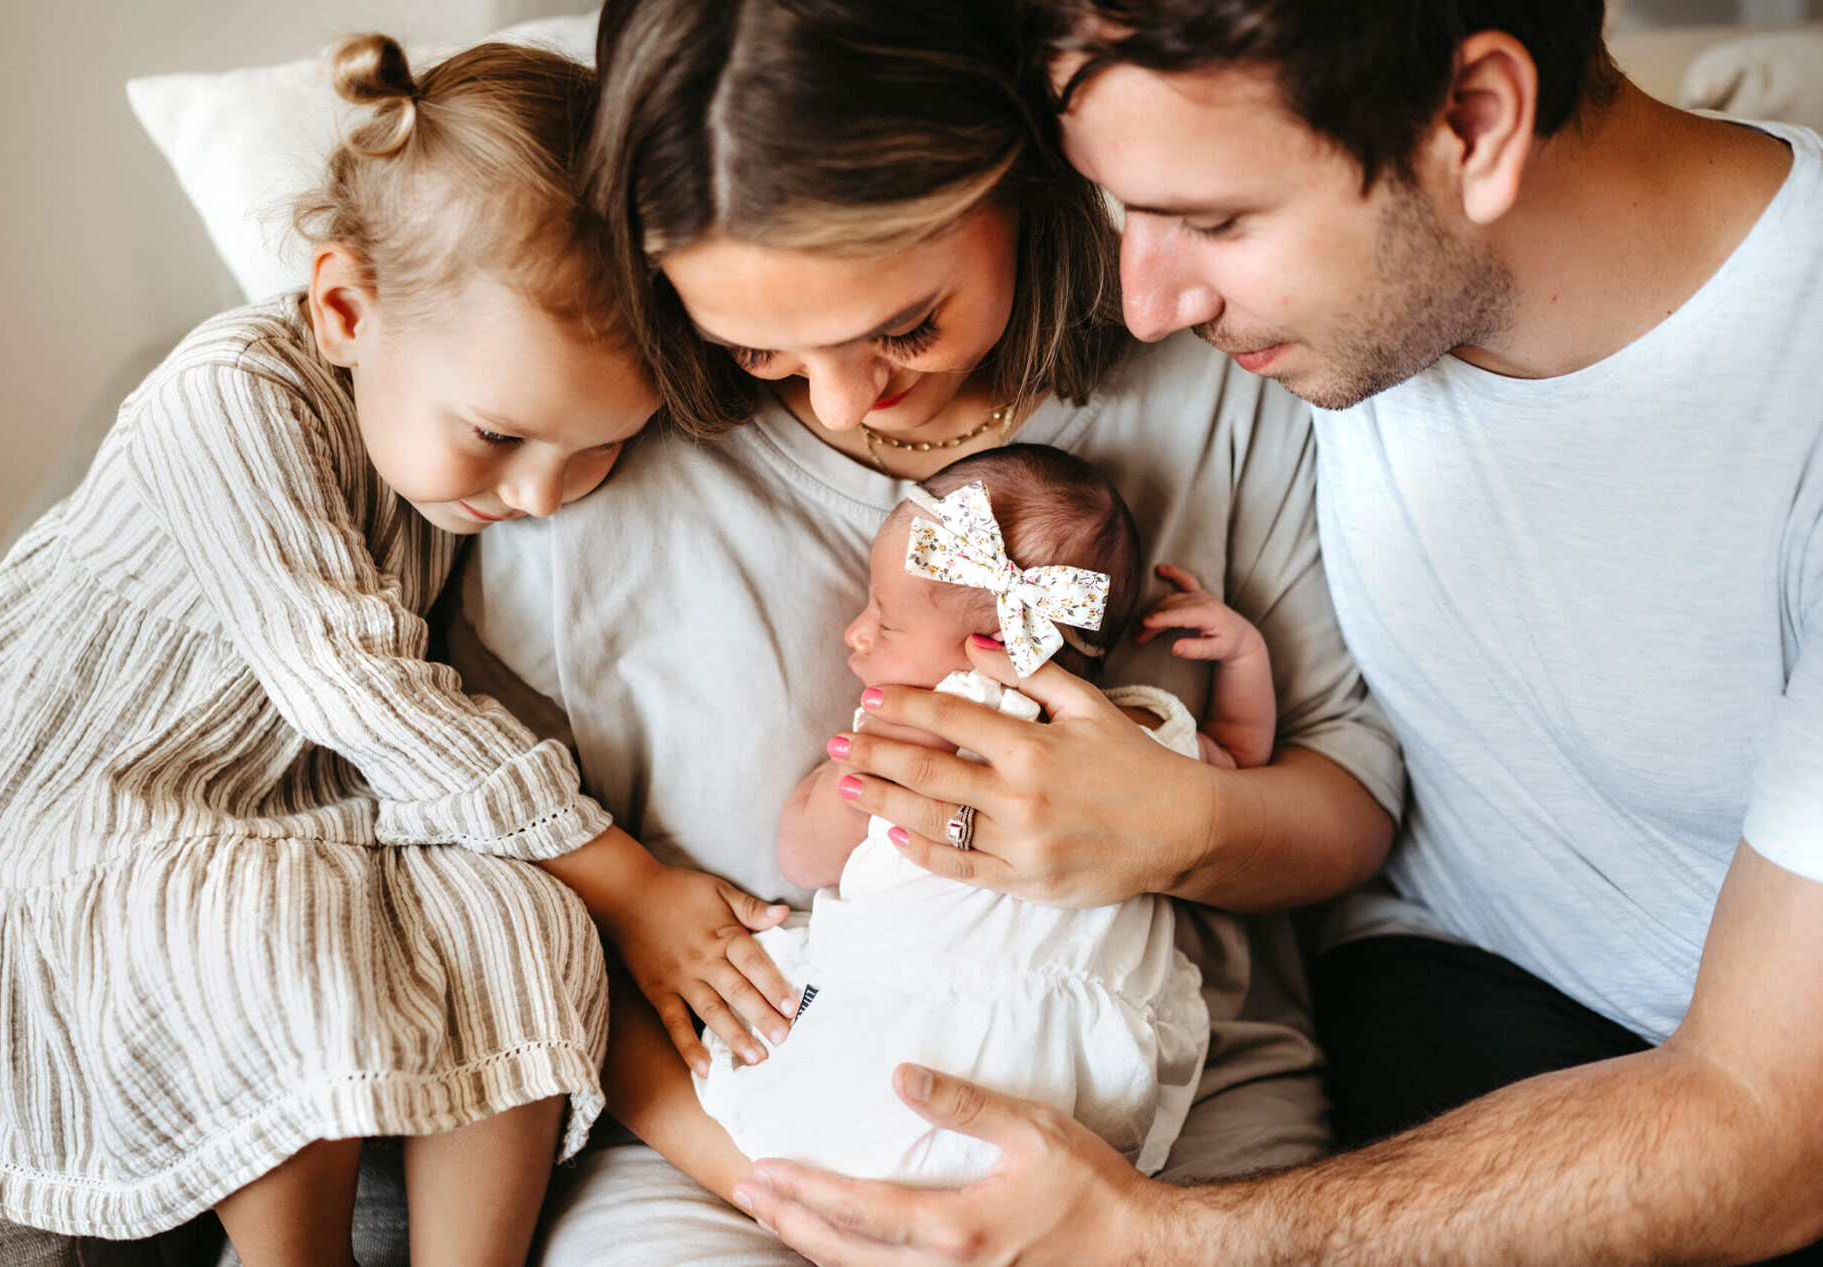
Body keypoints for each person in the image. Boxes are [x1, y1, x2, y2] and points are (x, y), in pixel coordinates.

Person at [732, 2, 1823, 1265]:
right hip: (1420, 983)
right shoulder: (1331, 288)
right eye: (1119, 207)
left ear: (1472, 124)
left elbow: (1767, 1126)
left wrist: (1153, 1237)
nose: (1143, 305)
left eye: (1211, 222)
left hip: (1723, 1100)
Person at [449, 1, 1404, 1261]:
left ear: (1024, 170)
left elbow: (1349, 807)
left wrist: (1183, 825)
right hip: (728, 1147)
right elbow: (496, 901)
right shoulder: (572, 474)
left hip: (1170, 1141)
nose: (844, 395)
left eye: (903, 325)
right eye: (758, 349)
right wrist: (777, 1180)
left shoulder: (1220, 368)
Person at [0, 34, 767, 1267]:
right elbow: (359, 686)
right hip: (74, 818)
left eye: (597, 451)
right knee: (271, 913)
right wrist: (636, 889)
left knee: (521, 913)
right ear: (342, 307)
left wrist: (584, 892)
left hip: (287, 809)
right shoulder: (227, 399)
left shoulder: (452, 477)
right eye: (498, 433)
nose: (541, 495)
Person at [687, 443, 1276, 1187]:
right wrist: (1246, 658)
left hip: (889, 1054)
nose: (855, 632)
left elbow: (804, 858)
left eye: (886, 622)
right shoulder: (1139, 739)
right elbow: (1240, 762)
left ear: (993, 649)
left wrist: (857, 756)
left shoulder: (909, 734)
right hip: (1074, 1091)